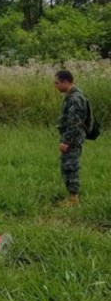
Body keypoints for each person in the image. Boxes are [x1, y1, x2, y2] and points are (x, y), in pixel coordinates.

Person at [54, 70, 89, 206]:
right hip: (72, 138)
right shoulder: (72, 95)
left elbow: (74, 123)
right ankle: (72, 196)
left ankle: (73, 199)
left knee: (71, 166)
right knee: (67, 165)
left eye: (57, 83)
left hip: (72, 139)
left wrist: (66, 141)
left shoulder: (75, 98)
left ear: (65, 82)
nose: (55, 86)